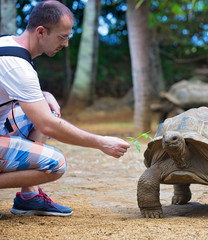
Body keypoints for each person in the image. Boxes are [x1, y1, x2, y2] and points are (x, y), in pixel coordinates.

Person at [0, 0, 130, 218]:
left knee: (47, 109)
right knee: (55, 164)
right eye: (63, 37)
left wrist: (45, 94)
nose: (66, 44)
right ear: (41, 32)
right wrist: (101, 142)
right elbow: (48, 127)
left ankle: (28, 198)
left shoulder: (7, 44)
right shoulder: (17, 66)